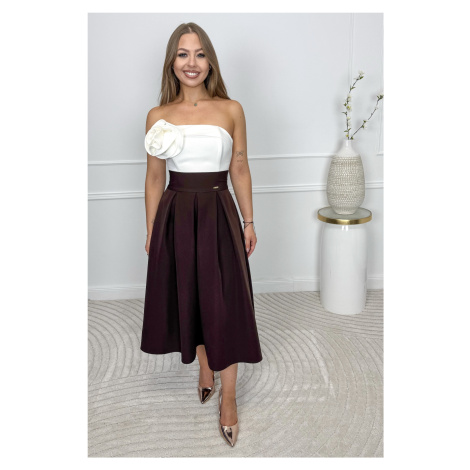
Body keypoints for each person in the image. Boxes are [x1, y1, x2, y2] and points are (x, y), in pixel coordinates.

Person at [140, 22, 263, 447]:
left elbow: (240, 167)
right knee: (190, 296)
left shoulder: (231, 109)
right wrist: (153, 230)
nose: (191, 63)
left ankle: (229, 398)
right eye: (182, 54)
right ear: (171, 62)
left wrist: (249, 220)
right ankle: (204, 368)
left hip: (219, 212)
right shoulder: (157, 116)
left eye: (199, 54)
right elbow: (154, 179)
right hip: (175, 214)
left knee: (224, 304)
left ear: (210, 61)